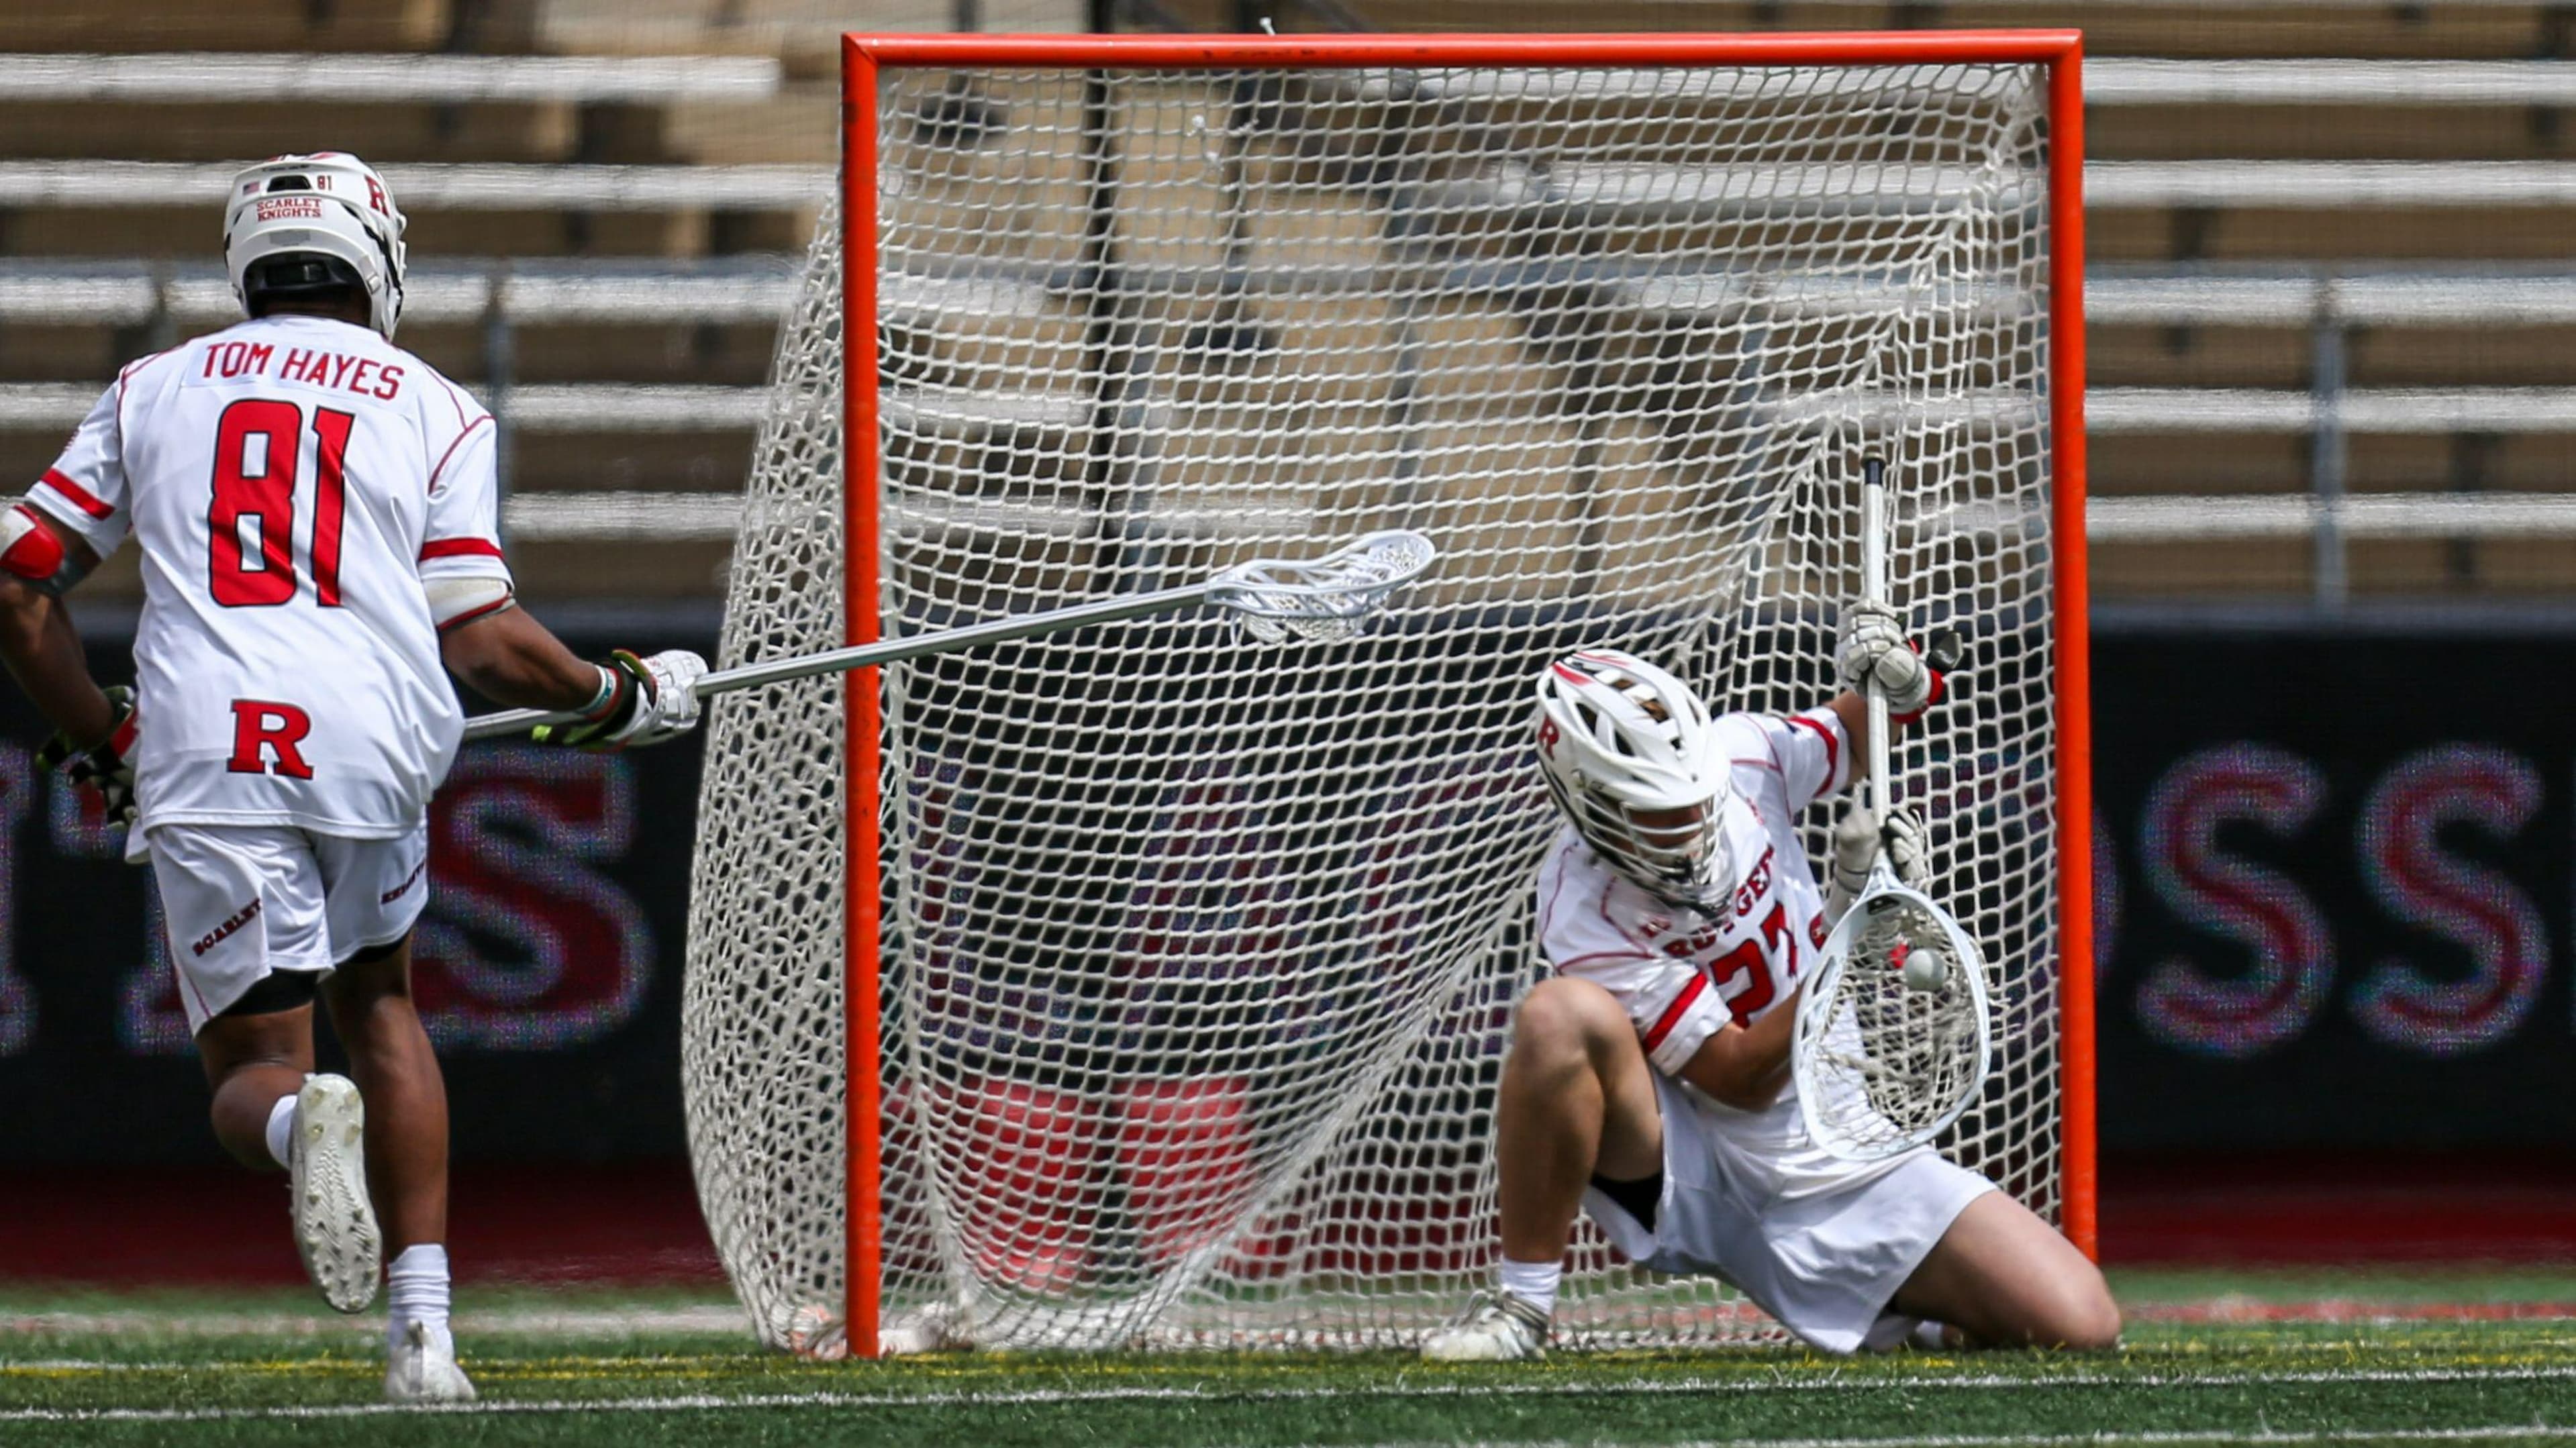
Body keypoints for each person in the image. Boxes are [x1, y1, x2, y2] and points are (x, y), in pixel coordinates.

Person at [0, 153, 707, 1402]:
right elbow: (481, 636)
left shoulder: (150, 385)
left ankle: (294, 1128)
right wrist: (619, 698)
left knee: (250, 1069)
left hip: (213, 743)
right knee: (382, 1005)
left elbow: (21, 585)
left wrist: (101, 740)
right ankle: (424, 1337)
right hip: (375, 741)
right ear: (377, 261)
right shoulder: (438, 403)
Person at [1422, 616, 2116, 1360]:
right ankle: (1521, 1308)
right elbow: (1736, 1076)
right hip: (1696, 1159)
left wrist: (1904, 677)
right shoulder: (1579, 905)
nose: (1691, 825)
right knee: (1558, 1016)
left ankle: (1916, 1314)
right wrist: (1852, 921)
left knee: (2083, 1324)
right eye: (1660, 814)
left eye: (1696, 798)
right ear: (1592, 804)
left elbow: (1858, 734)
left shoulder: (1743, 754)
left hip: (1843, 1143)